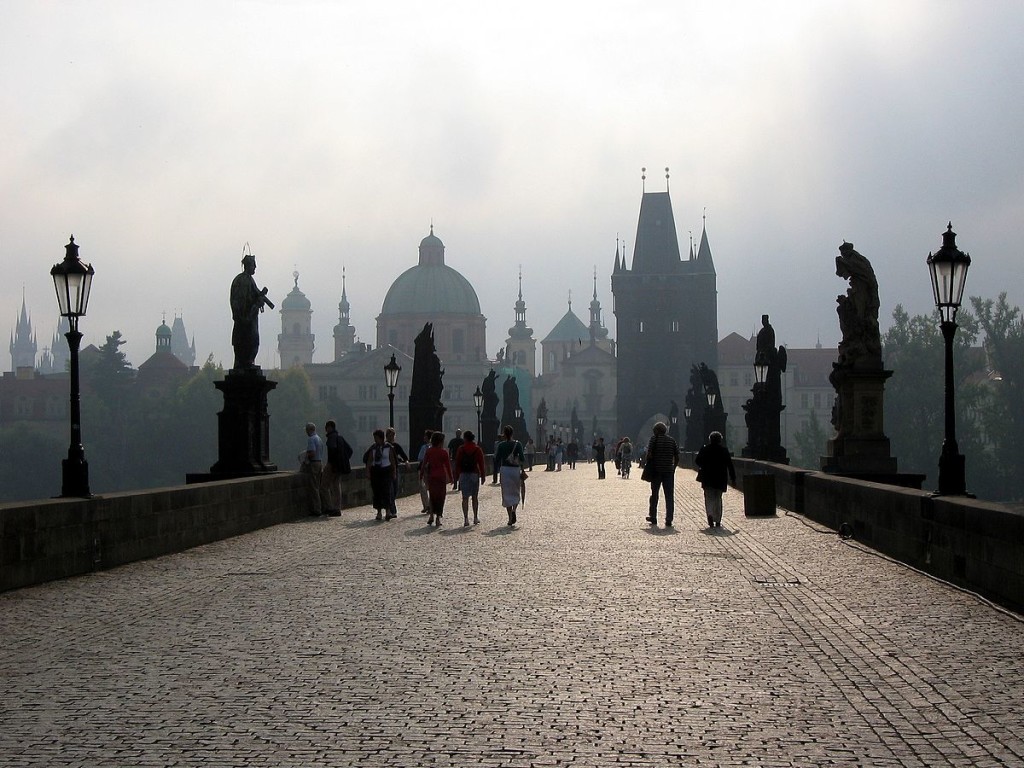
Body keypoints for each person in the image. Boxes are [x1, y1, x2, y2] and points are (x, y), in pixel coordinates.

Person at [230, 252, 272, 371]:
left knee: (252, 341)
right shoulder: (242, 280)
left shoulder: (249, 280)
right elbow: (243, 301)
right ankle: (245, 363)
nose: (255, 267)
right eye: (254, 265)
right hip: (245, 319)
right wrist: (256, 304)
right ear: (248, 266)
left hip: (249, 319)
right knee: (248, 341)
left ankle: (247, 362)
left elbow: (252, 295)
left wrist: (258, 299)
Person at [695, 431, 737, 529]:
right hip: (720, 478)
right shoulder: (724, 450)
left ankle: (710, 514)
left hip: (707, 477)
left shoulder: (705, 449)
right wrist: (733, 479)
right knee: (718, 499)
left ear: (710, 439)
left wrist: (704, 466)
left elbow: (697, 461)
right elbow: (730, 466)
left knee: (709, 498)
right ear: (720, 440)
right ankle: (717, 520)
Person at [644, 422, 679, 526]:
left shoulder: (653, 439)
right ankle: (669, 518)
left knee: (654, 494)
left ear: (656, 431)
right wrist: (673, 468)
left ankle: (653, 516)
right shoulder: (672, 440)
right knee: (669, 496)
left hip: (656, 471)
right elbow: (677, 456)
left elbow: (649, 455)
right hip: (668, 471)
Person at [493, 425, 525, 526]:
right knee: (515, 492)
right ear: (512, 433)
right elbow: (522, 458)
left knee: (506, 493)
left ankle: (510, 518)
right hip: (515, 470)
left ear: (504, 433)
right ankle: (514, 510)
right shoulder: (518, 444)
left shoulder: (501, 445)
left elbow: (497, 459)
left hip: (505, 470)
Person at [453, 429, 486, 526]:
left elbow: (457, 462)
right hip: (474, 474)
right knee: (475, 497)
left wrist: (457, 475)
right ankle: (475, 517)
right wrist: (483, 475)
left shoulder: (461, 449)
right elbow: (481, 463)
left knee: (465, 497)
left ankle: (466, 519)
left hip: (464, 474)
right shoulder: (477, 449)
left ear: (465, 438)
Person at [363, 429, 397, 521]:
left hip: (386, 470)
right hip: (376, 471)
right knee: (377, 491)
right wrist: (368, 471)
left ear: (381, 438)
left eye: (376, 438)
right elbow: (369, 460)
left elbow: (392, 460)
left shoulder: (388, 447)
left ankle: (388, 511)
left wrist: (394, 472)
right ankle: (379, 512)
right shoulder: (373, 448)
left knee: (387, 491)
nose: (375, 440)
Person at [421, 431, 453, 526]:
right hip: (441, 477)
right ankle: (438, 518)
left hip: (432, 476)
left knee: (432, 496)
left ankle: (431, 515)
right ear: (440, 442)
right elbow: (448, 466)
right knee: (440, 497)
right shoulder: (443, 452)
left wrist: (421, 474)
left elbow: (424, 464)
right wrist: (451, 478)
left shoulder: (429, 451)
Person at [322, 419, 352, 516]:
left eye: (326, 428)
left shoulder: (331, 437)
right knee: (336, 486)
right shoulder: (340, 437)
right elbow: (350, 450)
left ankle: (329, 507)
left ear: (330, 427)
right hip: (339, 466)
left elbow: (332, 450)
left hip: (332, 465)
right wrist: (343, 460)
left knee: (324, 486)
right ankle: (337, 508)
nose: (325, 430)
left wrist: (332, 464)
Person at [302, 422, 327, 516]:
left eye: (306, 430)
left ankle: (316, 509)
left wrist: (306, 456)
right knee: (318, 486)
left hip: (314, 463)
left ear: (309, 430)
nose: (306, 432)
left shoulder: (311, 439)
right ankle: (322, 507)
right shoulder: (319, 438)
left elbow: (312, 453)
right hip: (320, 462)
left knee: (314, 487)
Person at [385, 427, 409, 520]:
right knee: (390, 490)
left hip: (396, 469)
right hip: (386, 470)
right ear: (387, 436)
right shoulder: (385, 446)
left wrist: (406, 462)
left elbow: (404, 456)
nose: (391, 437)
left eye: (392, 435)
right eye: (390, 435)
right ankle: (392, 510)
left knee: (395, 489)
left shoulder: (396, 446)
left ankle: (390, 508)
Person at [416, 429, 433, 514]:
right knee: (425, 488)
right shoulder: (425, 447)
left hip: (426, 468)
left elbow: (420, 458)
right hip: (425, 468)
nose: (424, 437)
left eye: (425, 436)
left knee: (425, 488)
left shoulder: (426, 447)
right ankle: (427, 505)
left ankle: (428, 505)